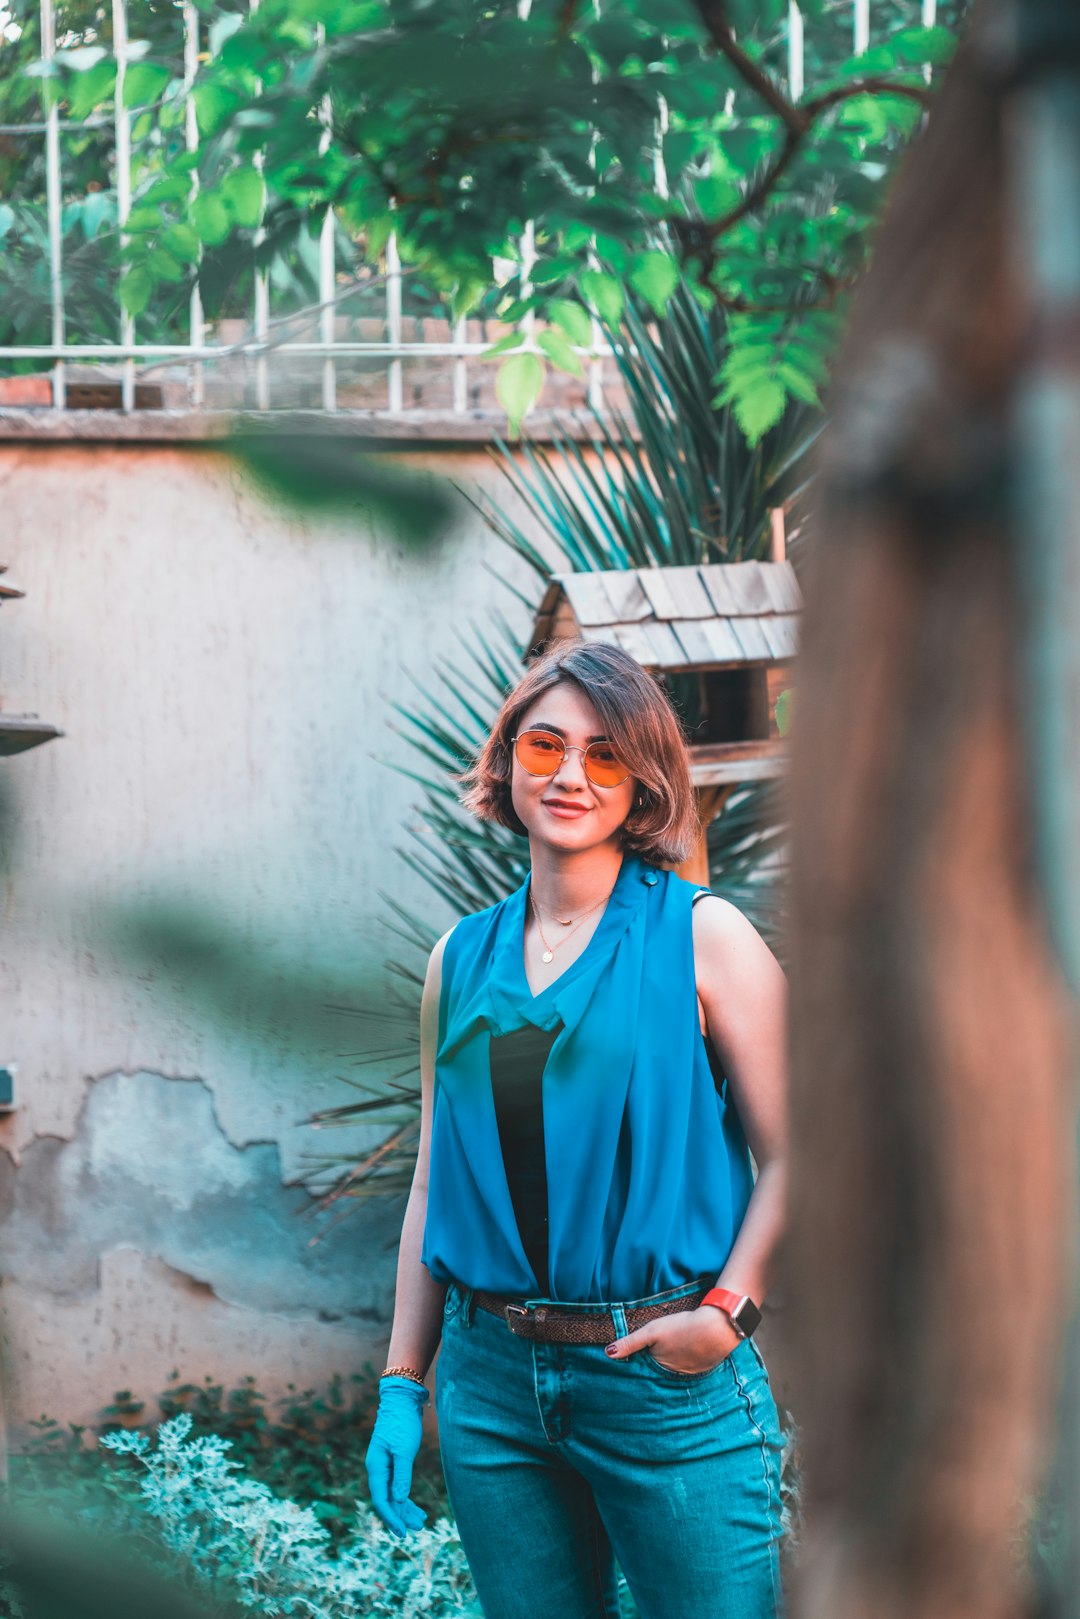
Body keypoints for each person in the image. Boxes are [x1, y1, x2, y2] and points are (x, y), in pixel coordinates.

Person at [365, 638, 788, 1619]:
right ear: (508, 756)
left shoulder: (704, 933)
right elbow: (438, 1184)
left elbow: (799, 1150)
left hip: (663, 1375)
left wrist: (728, 1314)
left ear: (642, 781)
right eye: (546, 744)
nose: (568, 775)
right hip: (492, 1388)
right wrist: (402, 1382)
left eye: (604, 754)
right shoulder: (457, 960)